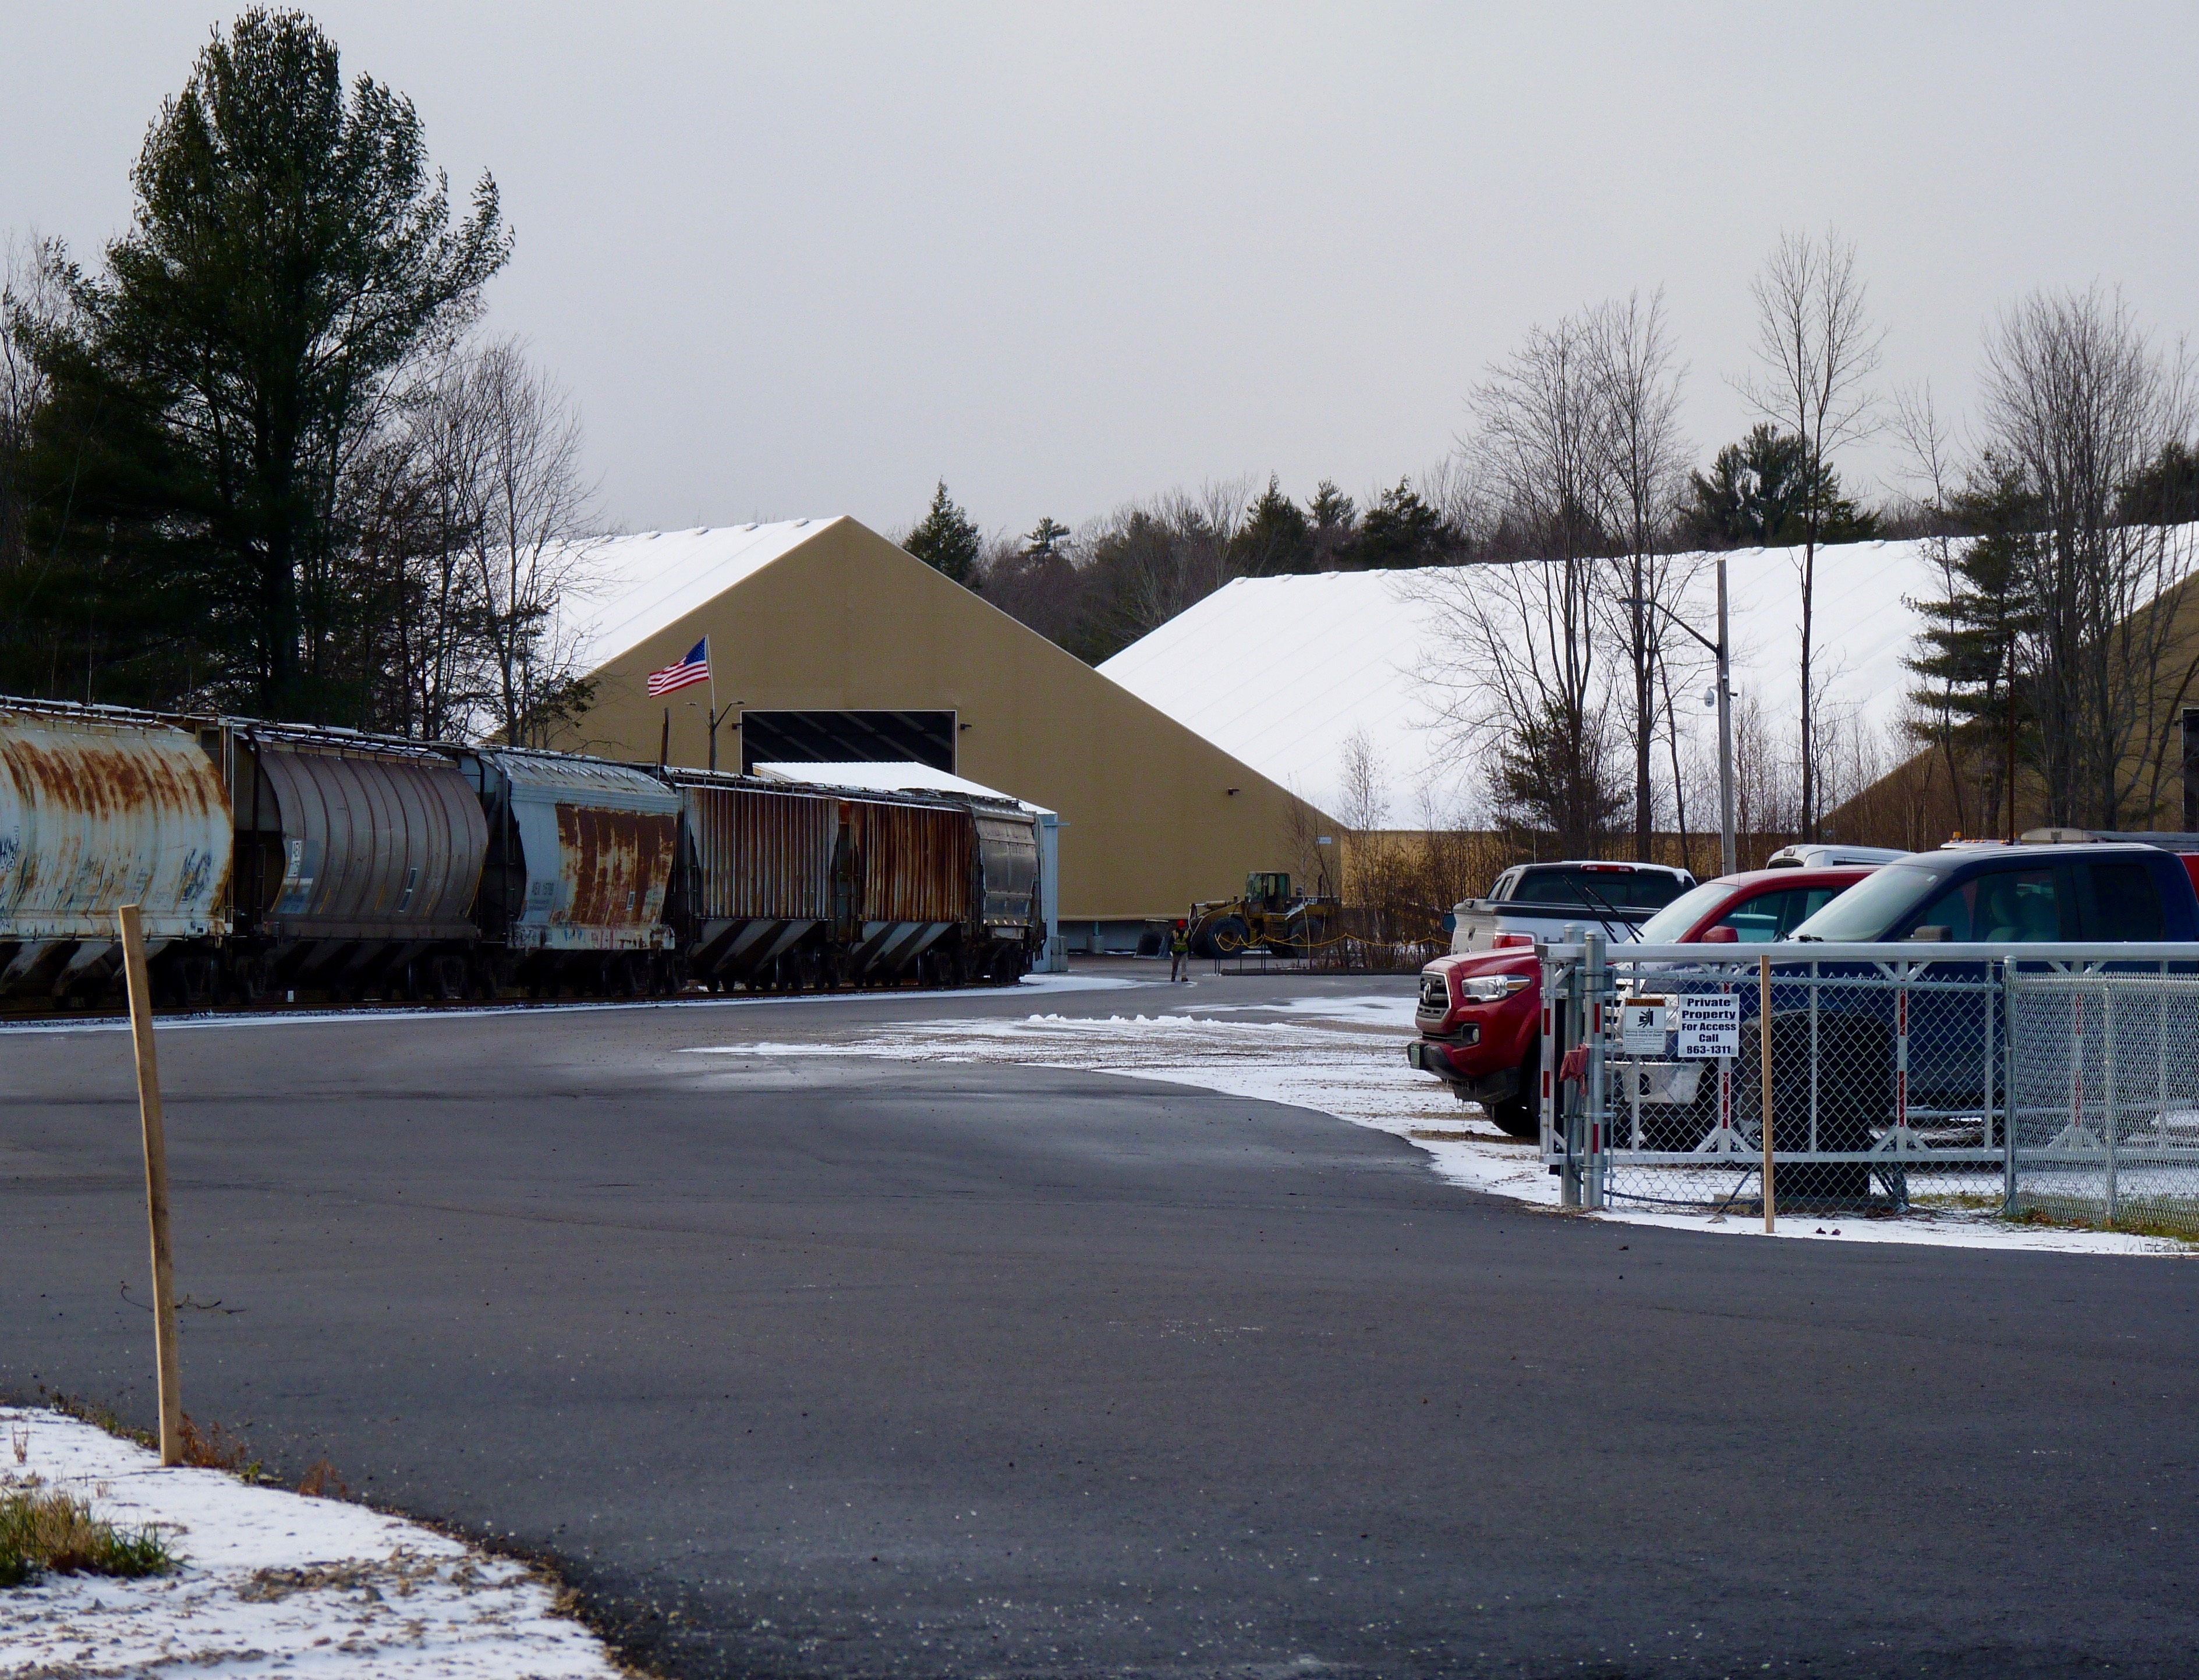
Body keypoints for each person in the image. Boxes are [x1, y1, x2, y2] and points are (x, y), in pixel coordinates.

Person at [1169, 917, 1191, 982]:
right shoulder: (1174, 933)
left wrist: (1189, 951)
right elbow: (1170, 942)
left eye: (1183, 927)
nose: (1183, 928)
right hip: (1176, 952)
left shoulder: (1186, 933)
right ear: (1179, 927)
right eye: (1182, 927)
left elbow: (1189, 943)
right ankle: (1173, 976)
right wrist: (1170, 949)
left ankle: (1184, 977)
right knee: (1175, 965)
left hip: (1184, 951)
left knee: (1184, 964)